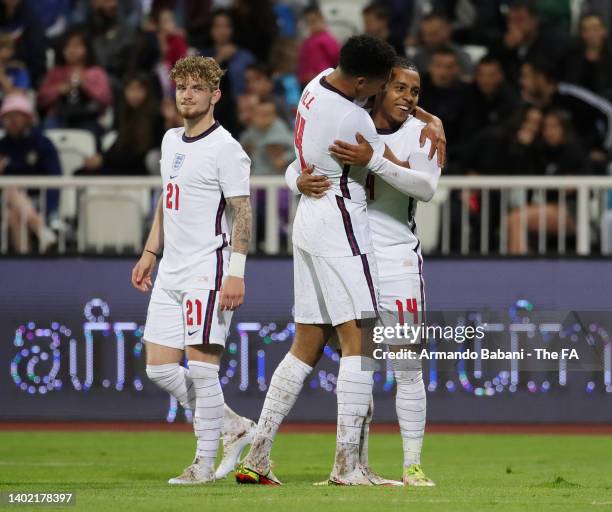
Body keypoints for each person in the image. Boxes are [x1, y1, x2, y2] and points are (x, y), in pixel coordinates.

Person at [236, 35, 444, 486]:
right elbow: (384, 160)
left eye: (412, 90)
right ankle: (348, 466)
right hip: (343, 226)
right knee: (361, 346)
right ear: (369, 83)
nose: (402, 94)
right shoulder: (356, 119)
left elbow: (303, 157)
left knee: (306, 343)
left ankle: (258, 455)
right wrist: (425, 127)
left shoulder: (313, 86)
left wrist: (430, 118)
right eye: (393, 85)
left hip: (312, 222)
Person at [131, 56, 254, 485]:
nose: (187, 94)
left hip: (209, 268)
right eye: (181, 86)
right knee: (159, 368)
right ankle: (233, 426)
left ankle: (202, 466)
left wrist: (236, 272)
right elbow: (168, 199)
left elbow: (242, 212)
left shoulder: (227, 150)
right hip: (171, 271)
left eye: (197, 88)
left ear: (215, 94)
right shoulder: (169, 141)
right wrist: (151, 251)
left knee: (202, 371)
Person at [0, 93, 61, 253]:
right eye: (8, 116)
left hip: (39, 201)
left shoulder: (42, 143)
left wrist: (49, 210)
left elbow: (55, 179)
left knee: (13, 213)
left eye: (17, 116)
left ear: (28, 118)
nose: (12, 121)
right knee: (11, 194)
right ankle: (41, 230)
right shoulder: (2, 146)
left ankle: (24, 254)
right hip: (6, 201)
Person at [77, 73, 163, 176]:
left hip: (139, 167)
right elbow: (117, 145)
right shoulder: (124, 114)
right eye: (130, 89)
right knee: (80, 173)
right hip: (121, 163)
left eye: (139, 89)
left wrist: (105, 160)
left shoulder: (156, 117)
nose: (134, 94)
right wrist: (101, 158)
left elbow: (146, 154)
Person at [37, 27, 113, 138]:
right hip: (59, 117)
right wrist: (60, 89)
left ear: (87, 49)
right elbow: (41, 99)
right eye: (68, 46)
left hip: (88, 117)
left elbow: (106, 99)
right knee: (48, 128)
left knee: (92, 133)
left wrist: (85, 84)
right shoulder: (55, 72)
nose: (72, 50)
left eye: (77, 46)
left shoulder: (96, 72)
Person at [201, 8, 255, 102]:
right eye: (217, 26)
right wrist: (219, 58)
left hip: (241, 107)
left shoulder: (245, 56)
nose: (222, 31)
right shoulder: (202, 56)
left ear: (233, 29)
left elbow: (254, 84)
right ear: (211, 29)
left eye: (226, 26)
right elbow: (199, 84)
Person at [565, 13, 612, 100]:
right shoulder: (572, 57)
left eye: (595, 29)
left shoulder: (609, 56)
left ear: (604, 31)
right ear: (581, 34)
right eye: (586, 30)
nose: (592, 34)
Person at [297, 5, 339, 87]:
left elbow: (336, 58)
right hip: (307, 82)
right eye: (308, 23)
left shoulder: (328, 40)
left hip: (323, 80)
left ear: (322, 19)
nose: (311, 25)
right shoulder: (307, 41)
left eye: (314, 21)